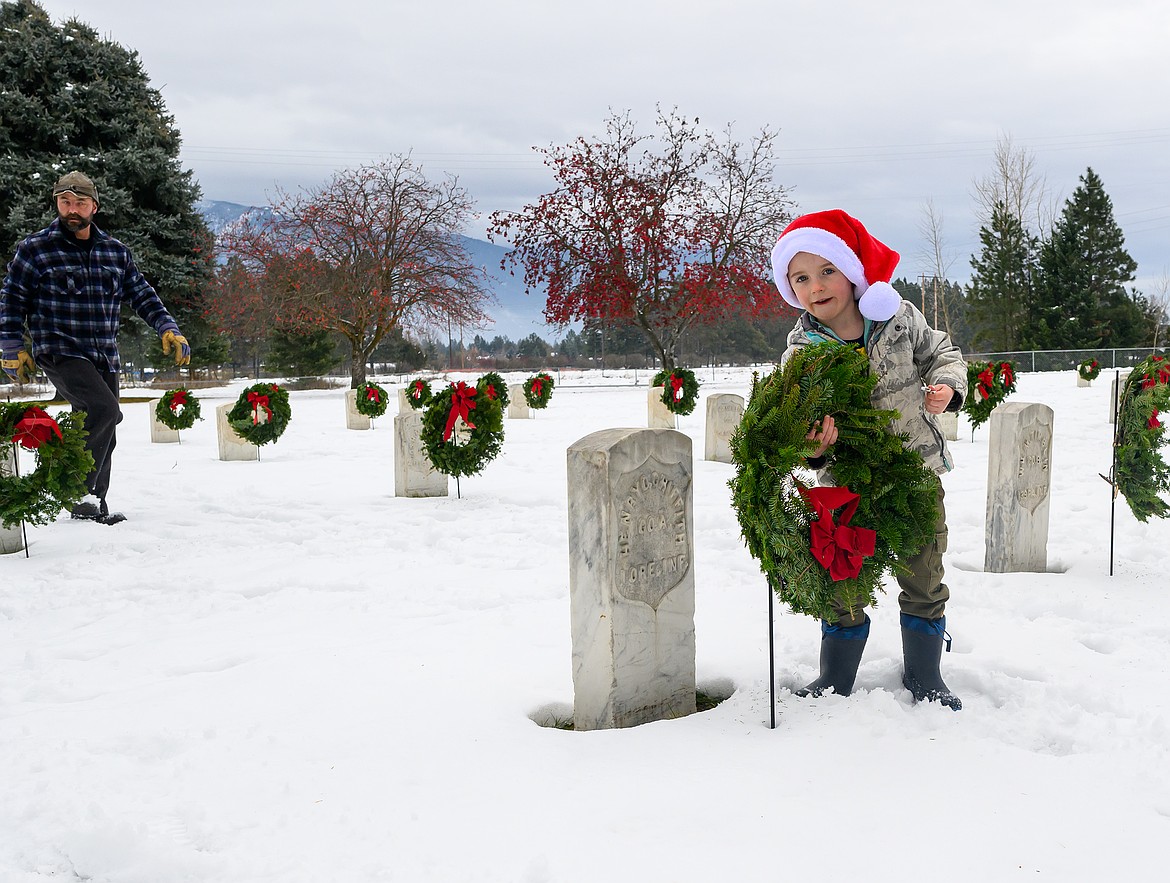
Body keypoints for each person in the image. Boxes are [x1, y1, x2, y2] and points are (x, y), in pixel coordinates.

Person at [771, 209, 967, 710]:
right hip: (847, 486)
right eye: (801, 277)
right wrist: (813, 447)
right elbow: (798, 425)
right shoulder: (802, 354)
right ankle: (835, 678)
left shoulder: (897, 318)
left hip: (914, 474)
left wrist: (947, 385)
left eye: (827, 271)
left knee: (924, 572)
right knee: (842, 580)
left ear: (852, 270)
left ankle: (925, 674)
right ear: (791, 288)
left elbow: (943, 352)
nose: (816, 286)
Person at [1, 170, 191, 525]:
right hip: (59, 349)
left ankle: (92, 505)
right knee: (103, 409)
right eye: (65, 202)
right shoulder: (35, 250)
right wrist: (12, 346)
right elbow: (12, 299)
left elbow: (141, 293)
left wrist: (167, 327)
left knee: (107, 424)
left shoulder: (115, 252)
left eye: (80, 203)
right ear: (57, 203)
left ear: (95, 207)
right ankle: (78, 493)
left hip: (103, 351)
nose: (72, 209)